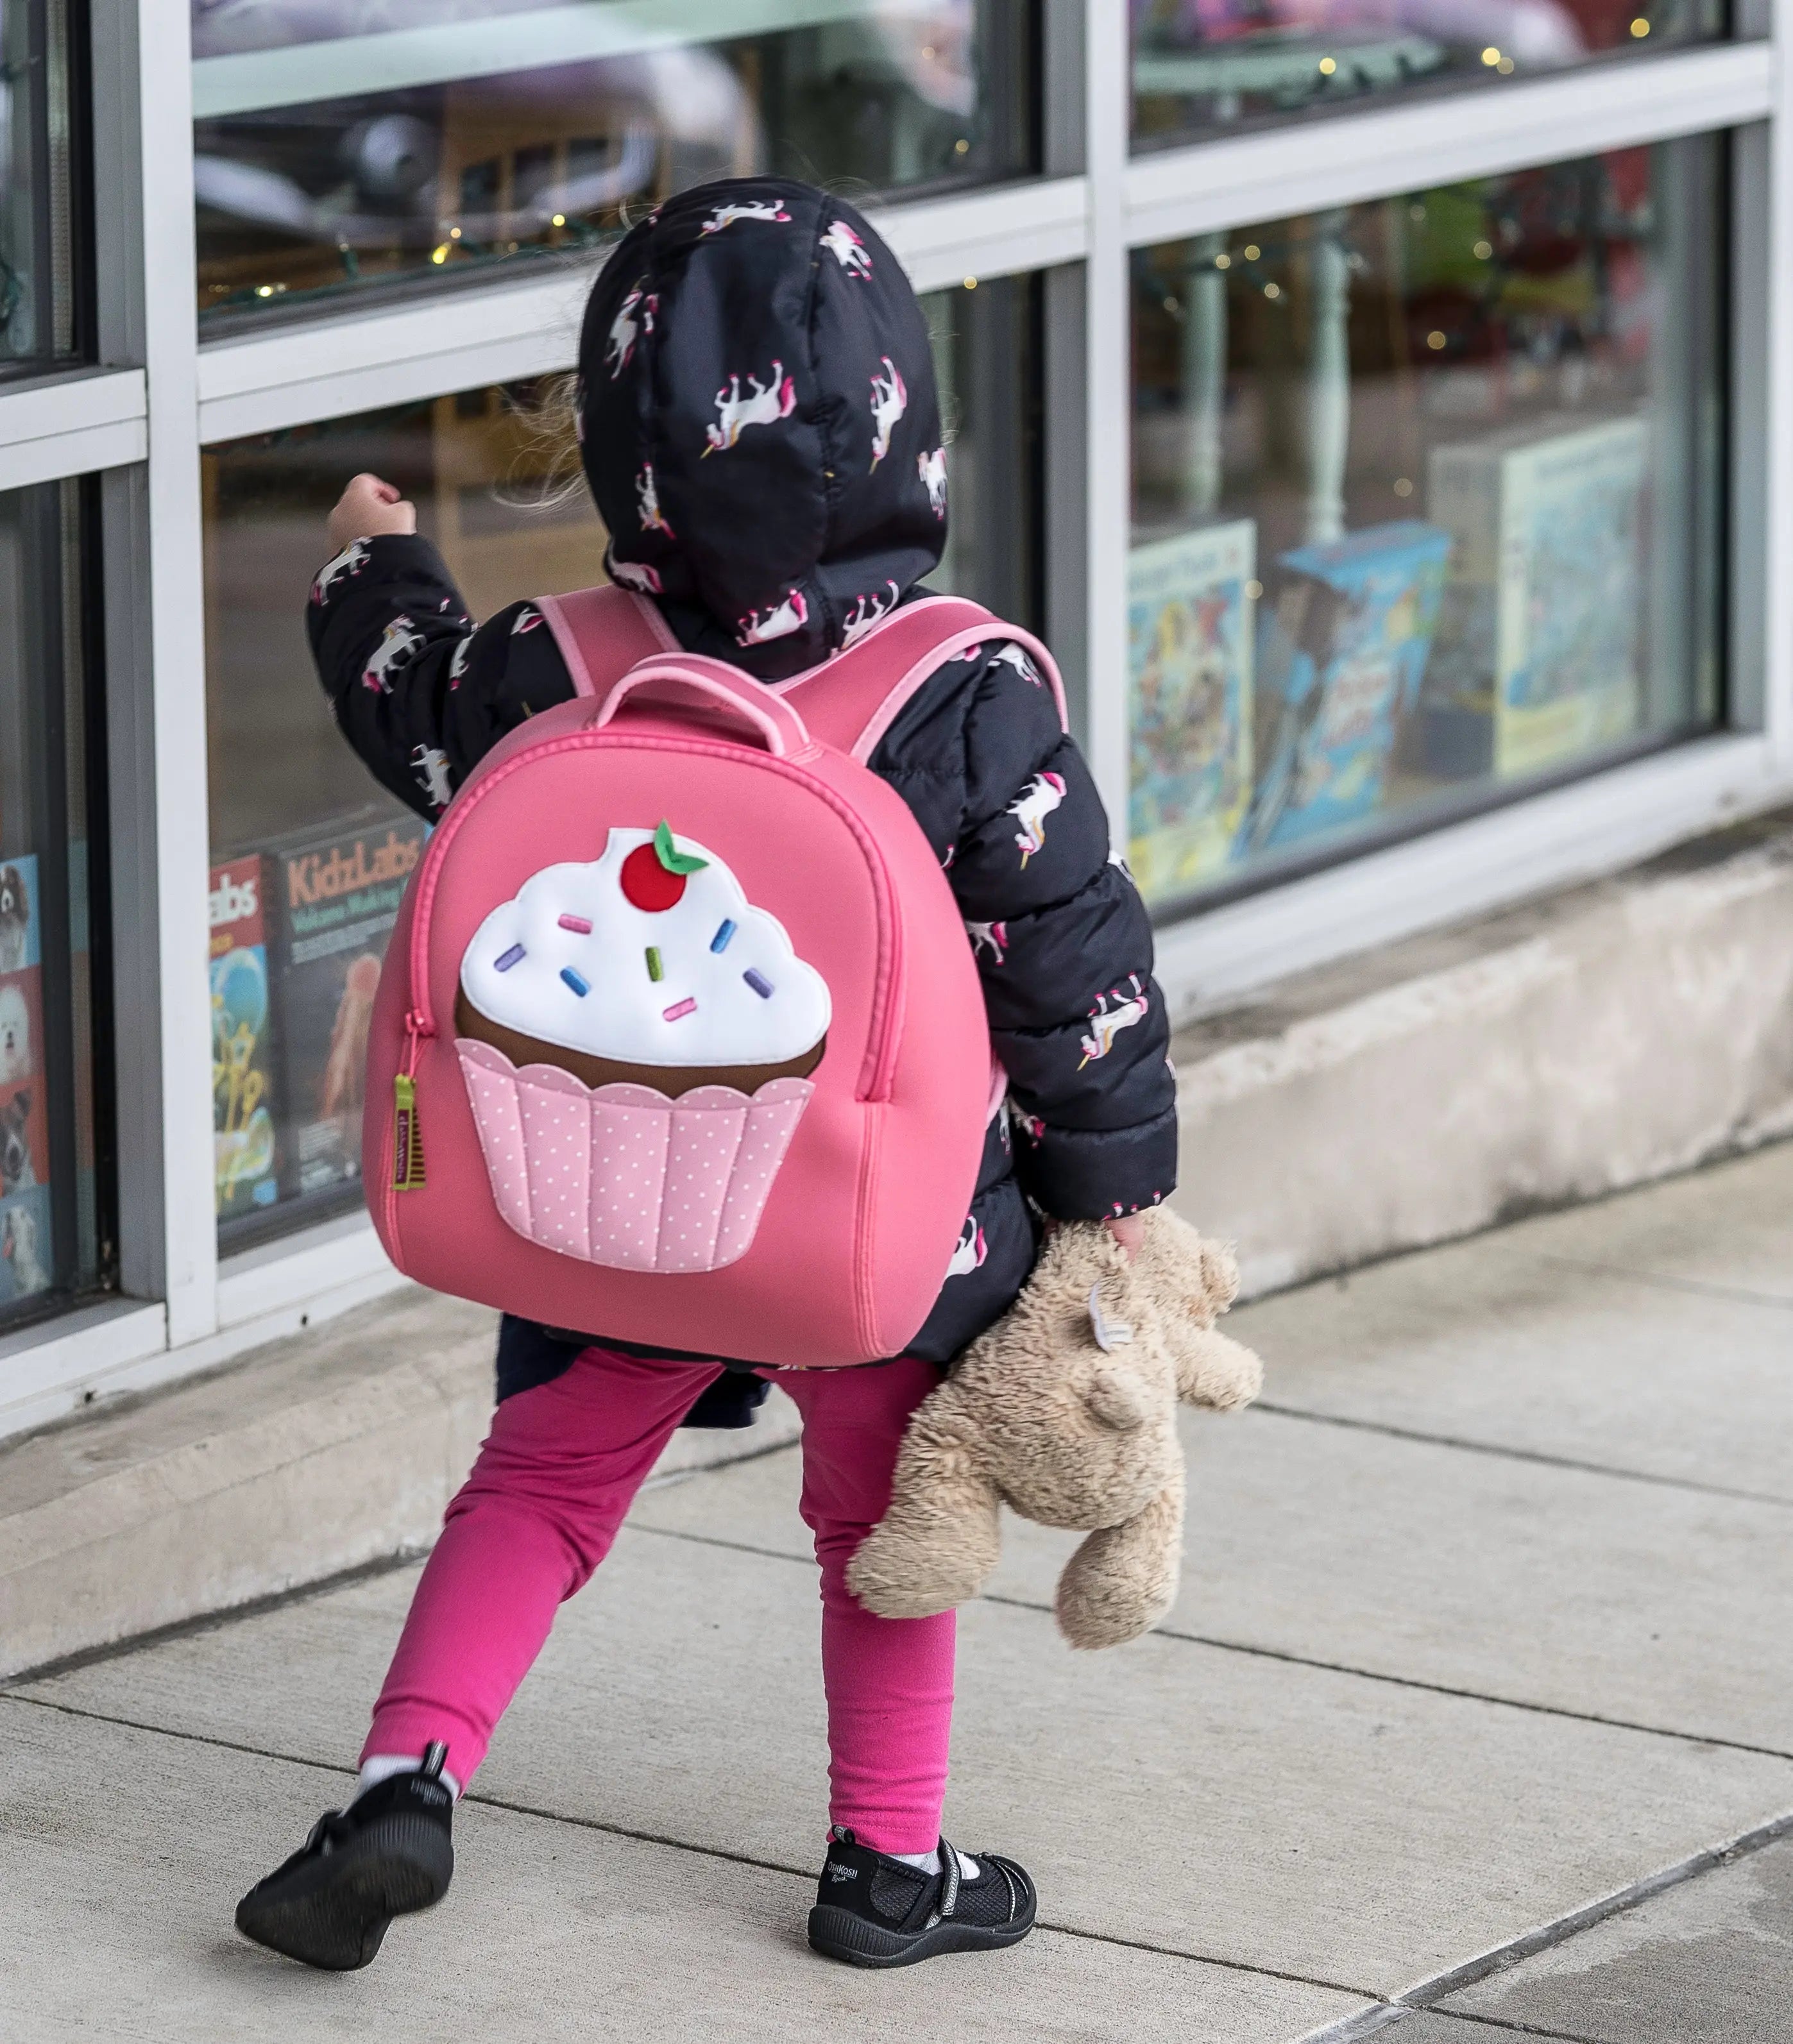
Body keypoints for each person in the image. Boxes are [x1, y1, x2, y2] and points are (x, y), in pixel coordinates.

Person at [235, 177, 1176, 1973]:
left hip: (611, 1205)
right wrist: (1109, 1211)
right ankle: (887, 1865)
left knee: (540, 1480)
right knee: (881, 1522)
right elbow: (1078, 976)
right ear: (909, 420)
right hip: (875, 1238)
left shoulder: (559, 667)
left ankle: (400, 1782)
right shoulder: (965, 693)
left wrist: (372, 560)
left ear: (620, 437)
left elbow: (406, 695)